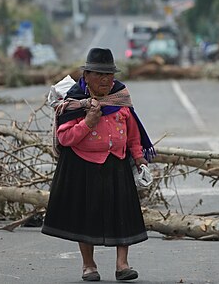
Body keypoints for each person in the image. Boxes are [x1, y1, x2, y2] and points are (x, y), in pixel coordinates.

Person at [42, 47, 155, 282]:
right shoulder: (75, 102)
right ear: (86, 77)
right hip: (85, 165)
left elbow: (133, 134)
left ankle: (122, 265)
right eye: (99, 75)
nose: (105, 79)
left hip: (117, 162)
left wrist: (139, 157)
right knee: (87, 216)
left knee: (122, 213)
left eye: (109, 75)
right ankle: (88, 265)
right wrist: (89, 122)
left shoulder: (120, 98)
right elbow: (65, 138)